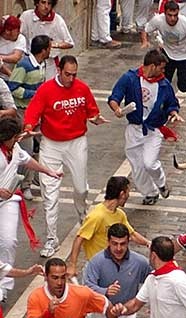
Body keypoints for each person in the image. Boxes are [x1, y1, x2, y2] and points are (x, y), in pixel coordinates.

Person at [23, 55, 108, 258]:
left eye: (74, 74)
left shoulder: (82, 88)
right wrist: (28, 126)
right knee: (50, 194)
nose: (71, 78)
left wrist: (96, 119)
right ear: (59, 70)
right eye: (68, 74)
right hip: (51, 145)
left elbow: (92, 112)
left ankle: (82, 217)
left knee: (81, 187)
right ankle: (52, 238)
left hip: (77, 143)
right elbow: (33, 111)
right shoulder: (45, 90)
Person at [0, 117, 61, 302]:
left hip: (8, 201)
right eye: (15, 136)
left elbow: (27, 161)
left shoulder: (15, 149)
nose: (18, 138)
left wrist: (48, 172)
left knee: (9, 241)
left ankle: (3, 286)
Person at [108, 49, 181, 206]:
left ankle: (161, 183)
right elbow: (114, 97)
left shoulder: (164, 84)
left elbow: (172, 103)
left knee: (149, 162)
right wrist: (117, 110)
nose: (164, 71)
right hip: (134, 129)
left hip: (153, 130)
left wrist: (174, 113)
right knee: (137, 166)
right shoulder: (130, 78)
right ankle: (150, 192)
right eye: (161, 68)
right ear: (153, 66)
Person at [66, 176, 150, 279]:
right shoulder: (97, 215)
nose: (129, 195)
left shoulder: (120, 214)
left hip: (113, 267)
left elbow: (132, 234)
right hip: (96, 268)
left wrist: (148, 243)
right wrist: (72, 265)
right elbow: (79, 239)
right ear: (122, 194)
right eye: (128, 192)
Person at [8, 34, 50, 199]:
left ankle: (37, 177)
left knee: (43, 144)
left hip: (36, 112)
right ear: (44, 50)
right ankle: (24, 185)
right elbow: (13, 87)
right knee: (27, 148)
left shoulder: (41, 64)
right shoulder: (24, 65)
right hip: (22, 112)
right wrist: (35, 94)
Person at [141, 2, 186, 93]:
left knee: (184, 87)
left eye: (175, 15)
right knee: (163, 81)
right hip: (168, 53)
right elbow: (145, 29)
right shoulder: (158, 20)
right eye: (170, 15)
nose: (172, 18)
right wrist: (145, 41)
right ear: (165, 14)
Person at [19, 0, 74, 79]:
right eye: (43, 2)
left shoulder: (57, 20)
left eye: (49, 3)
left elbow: (69, 43)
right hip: (30, 60)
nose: (46, 7)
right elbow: (18, 35)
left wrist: (54, 44)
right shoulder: (26, 16)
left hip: (50, 63)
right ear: (37, 3)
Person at [0, 16, 27, 80]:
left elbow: (16, 58)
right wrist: (10, 74)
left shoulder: (21, 38)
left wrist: (1, 57)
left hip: (17, 76)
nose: (18, 33)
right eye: (17, 31)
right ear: (7, 31)